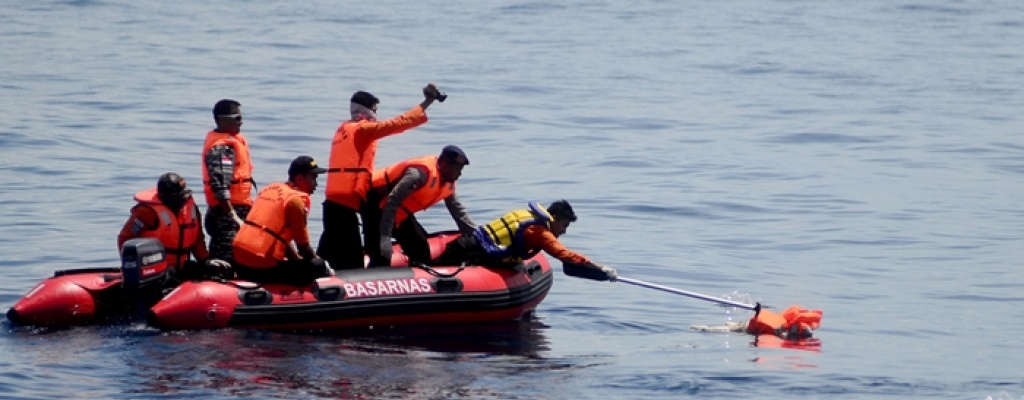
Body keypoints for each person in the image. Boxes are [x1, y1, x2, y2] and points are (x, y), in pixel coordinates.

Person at [319, 84, 444, 270]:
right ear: (366, 110)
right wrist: (427, 102)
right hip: (350, 198)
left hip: (333, 198)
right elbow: (398, 123)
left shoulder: (343, 128)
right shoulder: (363, 129)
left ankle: (316, 269)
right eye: (375, 110)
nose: (377, 114)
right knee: (355, 259)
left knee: (331, 248)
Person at [434, 199, 617, 279]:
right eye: (564, 226)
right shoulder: (541, 232)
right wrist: (599, 267)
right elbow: (564, 254)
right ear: (555, 219)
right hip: (472, 250)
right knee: (434, 268)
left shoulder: (527, 215)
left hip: (471, 242)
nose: (564, 231)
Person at [363, 145, 476, 267]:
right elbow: (393, 200)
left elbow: (458, 211)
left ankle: (415, 282)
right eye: (457, 169)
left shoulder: (448, 183)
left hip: (400, 213)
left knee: (421, 252)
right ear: (444, 165)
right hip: (376, 207)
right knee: (381, 257)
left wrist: (476, 235)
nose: (460, 174)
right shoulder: (418, 175)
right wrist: (385, 236)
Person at [232, 156, 332, 285]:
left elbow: (278, 236)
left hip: (238, 259)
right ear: (299, 179)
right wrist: (324, 267)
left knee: (297, 262)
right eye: (313, 178)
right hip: (260, 265)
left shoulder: (271, 190)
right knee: (316, 266)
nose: (316, 184)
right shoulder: (295, 202)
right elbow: (304, 248)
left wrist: (295, 260)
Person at [117, 172, 232, 281]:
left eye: (184, 195)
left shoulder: (191, 209)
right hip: (154, 269)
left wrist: (205, 261)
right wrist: (130, 266)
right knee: (169, 276)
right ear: (165, 196)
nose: (183, 199)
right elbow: (125, 237)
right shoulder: (146, 212)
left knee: (218, 273)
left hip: (181, 267)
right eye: (178, 196)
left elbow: (197, 240)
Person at [202, 99, 255, 265]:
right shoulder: (222, 147)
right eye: (237, 118)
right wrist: (233, 217)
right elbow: (220, 187)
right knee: (226, 260)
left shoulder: (234, 141)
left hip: (236, 209)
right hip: (225, 215)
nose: (242, 122)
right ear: (222, 120)